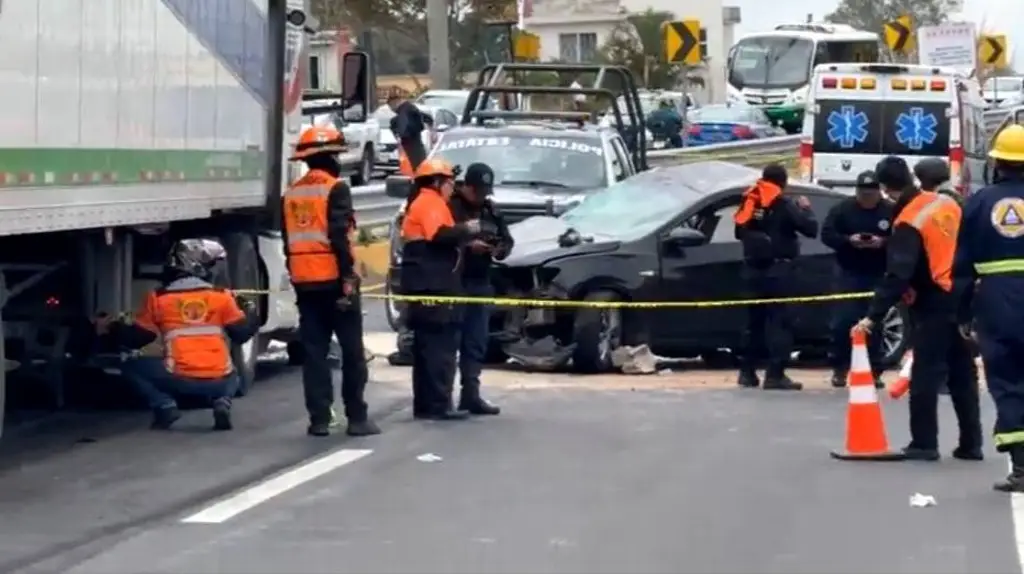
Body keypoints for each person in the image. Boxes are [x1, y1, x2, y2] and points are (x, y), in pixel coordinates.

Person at [852, 155, 982, 461]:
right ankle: (971, 444)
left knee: (925, 371)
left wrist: (873, 316)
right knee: (962, 373)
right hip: (963, 297)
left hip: (935, 300)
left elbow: (899, 273)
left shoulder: (908, 219)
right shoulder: (947, 204)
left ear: (885, 188)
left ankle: (924, 443)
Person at [94, 239, 258, 431]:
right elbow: (241, 334)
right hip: (220, 381)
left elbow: (138, 339)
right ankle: (222, 401)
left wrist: (111, 328)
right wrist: (251, 310)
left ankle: (165, 406)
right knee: (233, 372)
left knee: (131, 366)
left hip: (179, 379)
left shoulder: (159, 299)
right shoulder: (221, 297)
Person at [285, 125, 380, 438]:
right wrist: (348, 277)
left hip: (305, 282)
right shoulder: (335, 188)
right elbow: (339, 236)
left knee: (314, 354)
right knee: (352, 352)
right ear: (329, 159)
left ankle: (319, 420)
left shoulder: (293, 193)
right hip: (334, 281)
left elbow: (289, 241)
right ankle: (357, 418)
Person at [953, 125, 1024, 489]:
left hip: (997, 302)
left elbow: (962, 265)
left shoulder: (979, 203)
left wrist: (963, 314)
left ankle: (1021, 465)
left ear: (997, 162)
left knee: (1008, 379)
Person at [400, 158, 480, 420]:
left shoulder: (422, 202)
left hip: (424, 283)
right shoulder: (430, 203)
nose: (452, 188)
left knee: (426, 347)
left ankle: (425, 405)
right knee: (440, 347)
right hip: (434, 284)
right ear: (437, 182)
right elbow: (439, 236)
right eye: (449, 183)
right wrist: (467, 229)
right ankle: (438, 405)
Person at [733, 163, 819, 390]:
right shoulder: (783, 203)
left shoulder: (750, 199)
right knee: (781, 323)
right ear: (783, 182)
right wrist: (806, 208)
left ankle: (747, 372)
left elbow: (738, 230)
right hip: (779, 271)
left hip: (752, 270)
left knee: (754, 323)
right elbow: (810, 228)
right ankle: (775, 374)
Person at [448, 163, 513, 415]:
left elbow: (507, 239)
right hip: (455, 281)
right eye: (478, 191)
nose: (482, 196)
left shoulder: (490, 210)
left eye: (485, 191)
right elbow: (441, 238)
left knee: (475, 341)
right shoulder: (451, 206)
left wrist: (497, 249)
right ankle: (443, 397)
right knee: (450, 341)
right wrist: (468, 245)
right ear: (466, 186)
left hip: (481, 280)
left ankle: (470, 394)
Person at [820, 170, 894, 388]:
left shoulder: (890, 211)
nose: (867, 198)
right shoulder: (843, 210)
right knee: (843, 322)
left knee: (875, 324)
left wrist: (883, 243)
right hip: (848, 272)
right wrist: (848, 240)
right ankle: (840, 368)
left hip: (878, 273)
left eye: (871, 194)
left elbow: (903, 238)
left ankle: (875, 371)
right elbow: (827, 235)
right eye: (863, 193)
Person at [388, 95, 434, 171]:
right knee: (419, 164)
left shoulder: (405, 110)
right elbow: (426, 118)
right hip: (414, 142)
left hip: (412, 143)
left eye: (391, 106)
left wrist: (400, 134)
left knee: (417, 165)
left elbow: (404, 126)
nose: (391, 109)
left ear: (396, 102)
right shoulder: (408, 109)